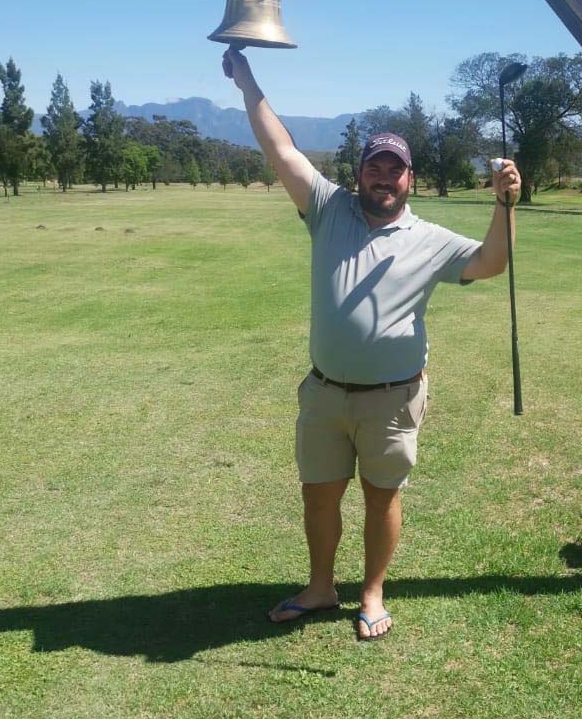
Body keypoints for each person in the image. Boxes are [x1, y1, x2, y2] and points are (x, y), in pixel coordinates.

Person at [223, 47, 521, 641]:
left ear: (410, 179)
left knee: (382, 499)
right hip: (326, 393)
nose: (383, 178)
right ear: (359, 172)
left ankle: (373, 593)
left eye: (395, 170)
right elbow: (279, 147)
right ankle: (320, 587)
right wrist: (245, 77)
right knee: (319, 496)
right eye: (374, 168)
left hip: (392, 397)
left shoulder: (428, 238)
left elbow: (491, 262)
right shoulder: (328, 209)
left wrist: (504, 202)